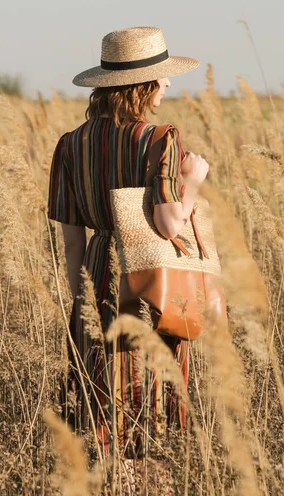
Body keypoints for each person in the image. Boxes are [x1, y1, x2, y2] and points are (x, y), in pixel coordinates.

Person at [47, 26, 210, 471]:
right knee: (146, 395)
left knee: (101, 398)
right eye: (161, 77)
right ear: (142, 86)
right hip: (144, 280)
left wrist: (81, 300)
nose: (168, 84)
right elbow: (169, 222)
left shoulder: (70, 144)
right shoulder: (161, 139)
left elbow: (72, 237)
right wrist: (192, 183)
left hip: (97, 275)